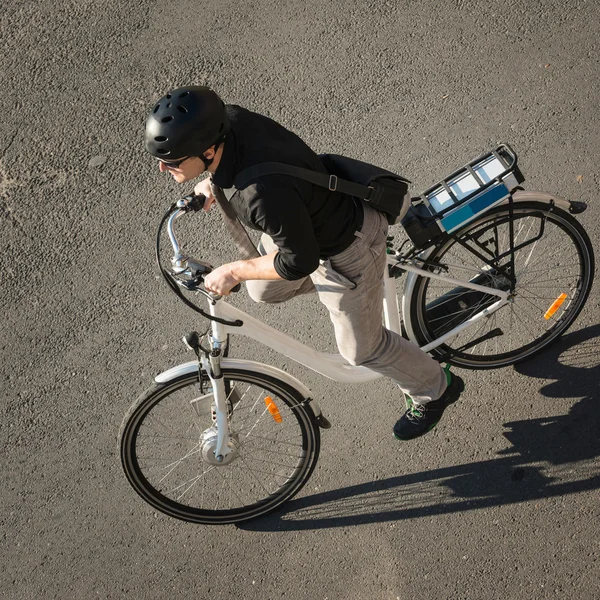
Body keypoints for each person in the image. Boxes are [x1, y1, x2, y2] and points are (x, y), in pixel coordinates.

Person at [144, 85, 464, 440]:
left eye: (172, 161)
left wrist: (232, 270)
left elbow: (298, 261)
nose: (161, 168)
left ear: (206, 150)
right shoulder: (229, 120)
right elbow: (246, 159)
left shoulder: (260, 195)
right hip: (307, 218)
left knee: (361, 349)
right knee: (262, 288)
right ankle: (363, 297)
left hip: (348, 246)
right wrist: (211, 183)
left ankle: (436, 388)